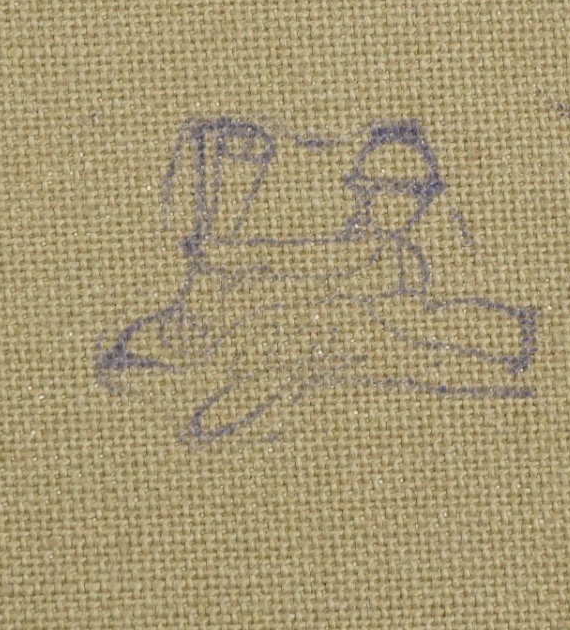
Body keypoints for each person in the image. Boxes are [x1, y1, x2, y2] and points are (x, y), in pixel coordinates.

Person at [97, 119, 537, 440]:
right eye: (377, 190)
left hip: (346, 334)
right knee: (290, 342)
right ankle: (217, 401)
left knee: (307, 343)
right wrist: (236, 263)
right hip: (321, 333)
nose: (390, 203)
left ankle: (218, 405)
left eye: (406, 193)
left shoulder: (392, 254)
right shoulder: (369, 245)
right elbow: (310, 266)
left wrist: (236, 257)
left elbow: (314, 263)